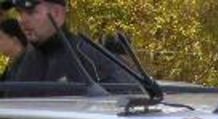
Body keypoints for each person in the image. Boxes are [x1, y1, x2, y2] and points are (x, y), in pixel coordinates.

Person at [2, 0, 133, 87]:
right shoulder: (21, 63)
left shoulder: (91, 58)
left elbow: (126, 106)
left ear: (57, 14)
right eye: (19, 13)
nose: (22, 20)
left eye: (31, 12)